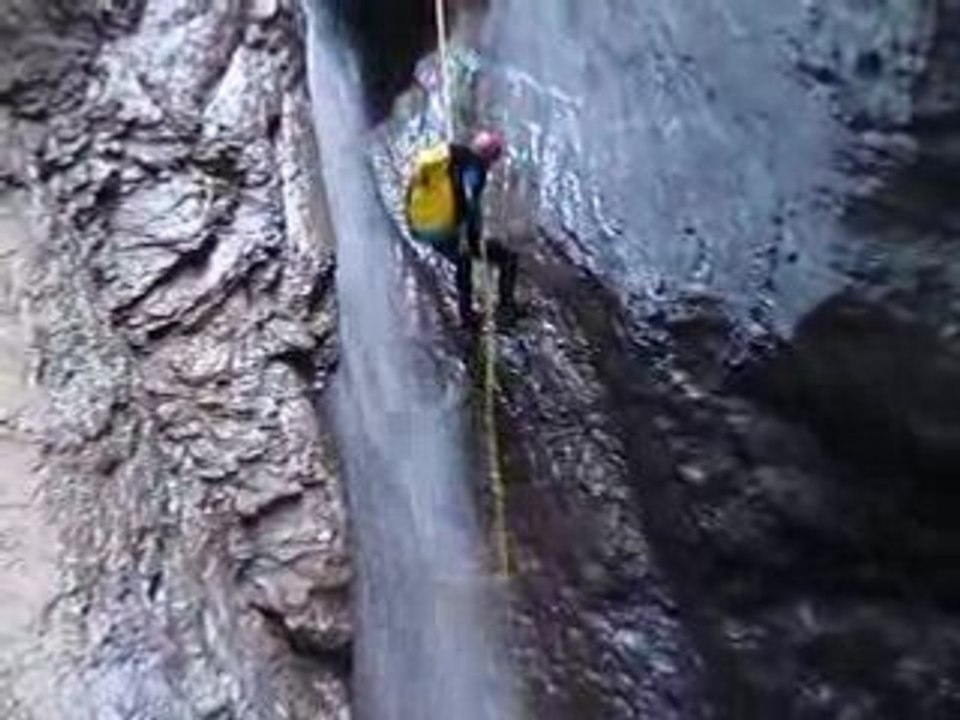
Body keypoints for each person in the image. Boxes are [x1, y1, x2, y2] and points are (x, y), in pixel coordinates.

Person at [406, 129, 519, 328]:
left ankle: (468, 313)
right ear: (490, 159)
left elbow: (412, 191)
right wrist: (474, 235)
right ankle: (496, 312)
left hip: (422, 225)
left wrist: (413, 225)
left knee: (464, 258)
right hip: (441, 229)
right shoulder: (475, 170)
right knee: (499, 259)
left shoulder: (444, 161)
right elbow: (470, 204)